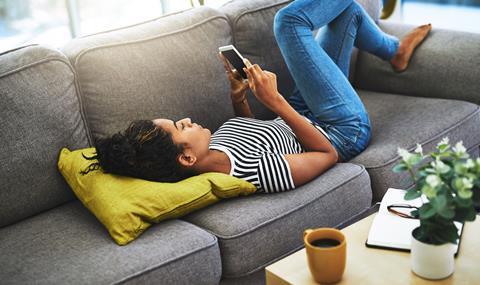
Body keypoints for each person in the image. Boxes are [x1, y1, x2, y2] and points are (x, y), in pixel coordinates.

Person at [82, 0, 431, 193]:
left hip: (302, 111)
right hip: (340, 129)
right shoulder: (255, 173)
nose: (185, 119)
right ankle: (394, 50)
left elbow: (256, 135)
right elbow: (328, 154)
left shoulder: (212, 145)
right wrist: (275, 102)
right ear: (186, 158)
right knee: (289, 22)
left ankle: (395, 51)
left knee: (348, 12)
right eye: (179, 127)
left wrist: (240, 98)